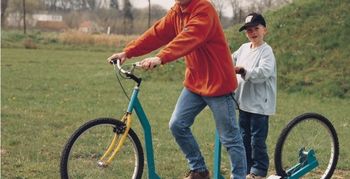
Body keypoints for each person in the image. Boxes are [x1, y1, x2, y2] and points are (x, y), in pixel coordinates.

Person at [107, 0, 247, 178]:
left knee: (230, 137)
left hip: (218, 83)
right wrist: (127, 52)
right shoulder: (177, 11)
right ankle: (199, 170)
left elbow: (189, 37)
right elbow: (157, 33)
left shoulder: (204, 9)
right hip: (196, 82)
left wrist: (161, 57)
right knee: (177, 125)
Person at [232, 13, 277, 179]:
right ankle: (246, 169)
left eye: (256, 29)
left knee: (257, 140)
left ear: (264, 30)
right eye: (249, 30)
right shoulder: (244, 48)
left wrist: (244, 70)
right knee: (244, 138)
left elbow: (264, 72)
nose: (253, 33)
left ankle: (258, 171)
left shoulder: (266, 51)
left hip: (260, 104)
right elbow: (230, 59)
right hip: (243, 102)